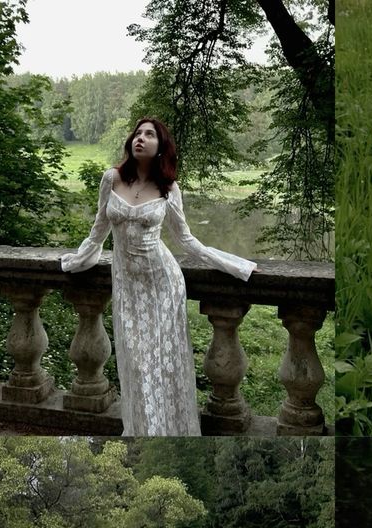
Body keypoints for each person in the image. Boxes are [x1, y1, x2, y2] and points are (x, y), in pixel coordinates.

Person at [61, 118, 256, 438]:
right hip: (127, 286)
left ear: (161, 146)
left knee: (164, 366)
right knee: (136, 366)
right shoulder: (111, 179)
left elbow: (187, 241)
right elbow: (98, 231)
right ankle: (142, 430)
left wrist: (237, 266)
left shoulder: (168, 188)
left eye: (149, 134)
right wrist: (78, 260)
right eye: (137, 133)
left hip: (163, 285)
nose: (141, 138)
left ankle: (169, 432)